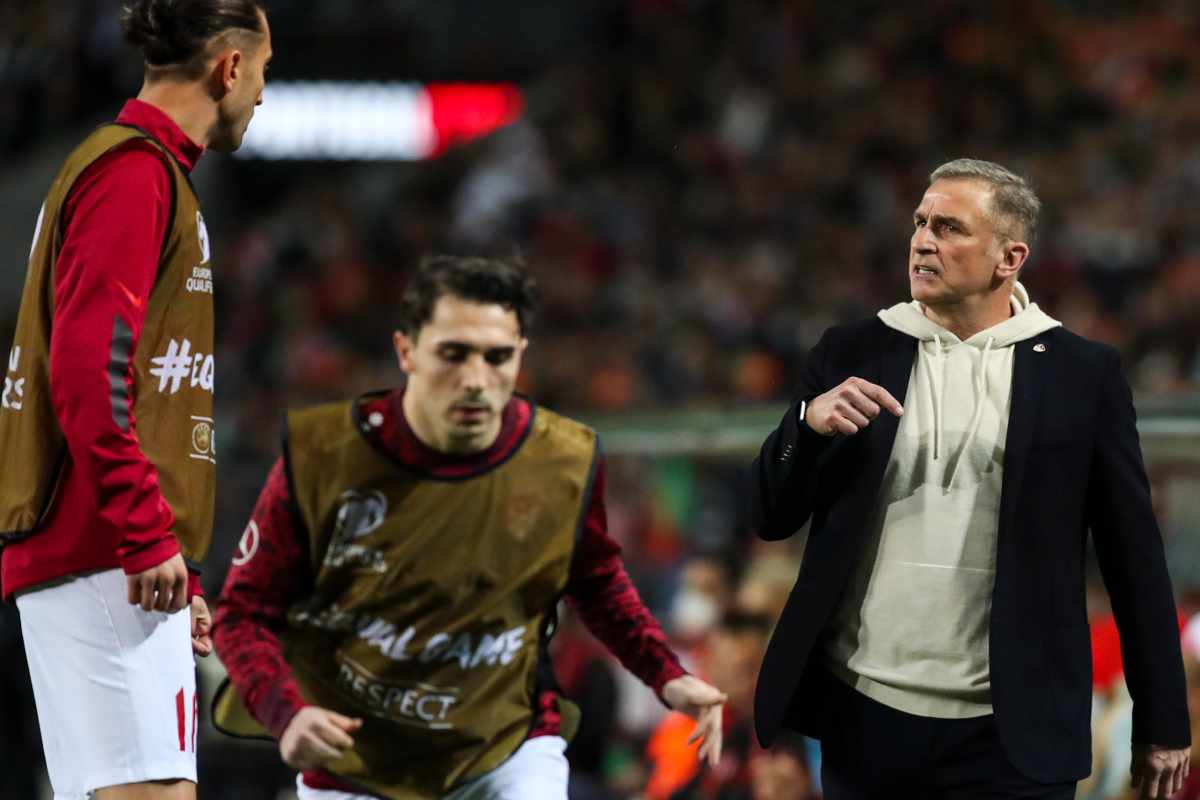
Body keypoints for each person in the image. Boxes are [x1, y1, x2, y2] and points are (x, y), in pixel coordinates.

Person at [748, 158, 1190, 799]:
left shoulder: (1080, 374)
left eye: (950, 228)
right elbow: (769, 517)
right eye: (920, 223)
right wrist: (806, 425)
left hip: (1012, 734)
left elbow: (1134, 558)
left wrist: (1162, 719)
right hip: (864, 717)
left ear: (1010, 258)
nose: (923, 241)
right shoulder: (852, 351)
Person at [212, 255, 726, 800]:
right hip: (355, 761)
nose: (477, 380)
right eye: (453, 354)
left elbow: (596, 584)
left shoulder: (562, 461)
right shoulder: (324, 460)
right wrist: (287, 713)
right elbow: (243, 612)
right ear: (406, 351)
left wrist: (667, 675)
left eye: (497, 357)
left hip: (505, 750)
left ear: (521, 353)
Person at [0, 1, 271, 797]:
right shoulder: (132, 173)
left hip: (110, 555)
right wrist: (144, 532)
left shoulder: (136, 171)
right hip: (100, 550)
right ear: (229, 66)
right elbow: (88, 370)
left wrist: (172, 560)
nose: (262, 93)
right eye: (263, 71)